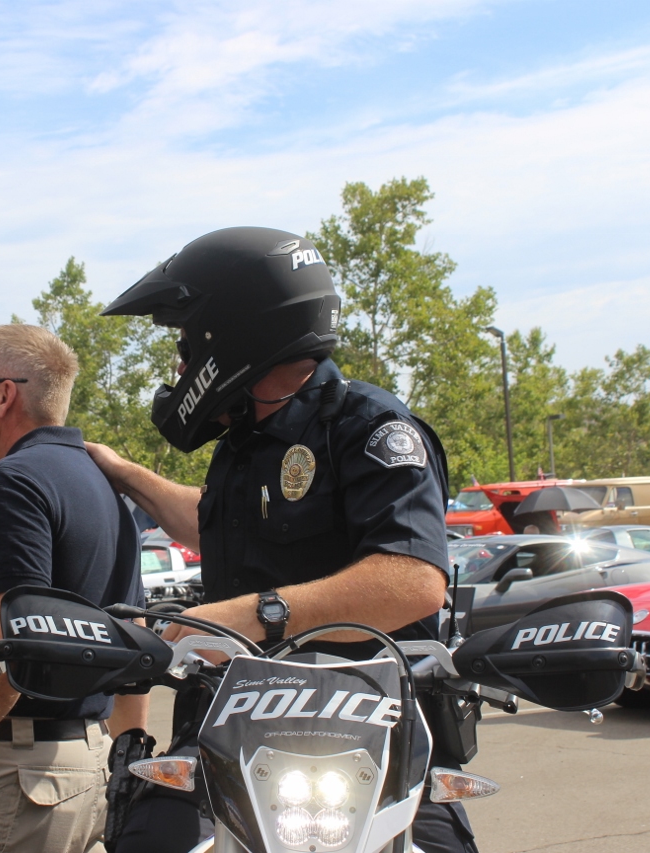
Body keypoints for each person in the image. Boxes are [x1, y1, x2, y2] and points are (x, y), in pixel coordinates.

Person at [86, 227, 473, 853]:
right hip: (234, 729)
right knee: (145, 835)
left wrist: (249, 616)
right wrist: (124, 475)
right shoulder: (243, 442)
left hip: (366, 742)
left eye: (186, 345)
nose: (181, 368)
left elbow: (413, 580)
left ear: (233, 330)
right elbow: (216, 525)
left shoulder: (369, 428)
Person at [0, 324, 146, 853]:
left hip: (12, 779)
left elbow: (13, 647)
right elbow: (131, 636)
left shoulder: (14, 482)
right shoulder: (104, 486)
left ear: (4, 395)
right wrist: (125, 756)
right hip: (87, 767)